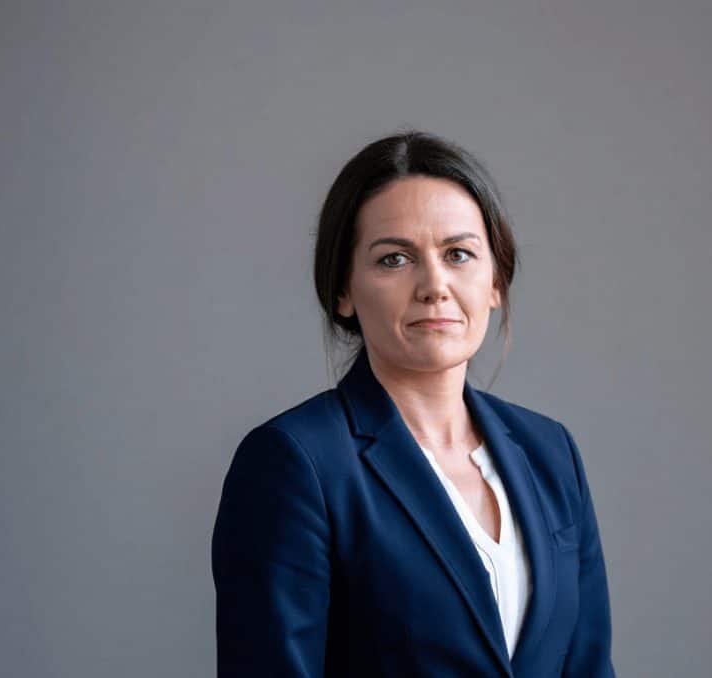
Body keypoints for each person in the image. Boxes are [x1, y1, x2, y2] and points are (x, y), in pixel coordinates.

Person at [211, 131, 616, 677]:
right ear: (343, 290)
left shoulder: (551, 452)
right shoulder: (296, 463)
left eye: (458, 254)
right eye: (395, 258)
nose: (434, 285)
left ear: (495, 281)